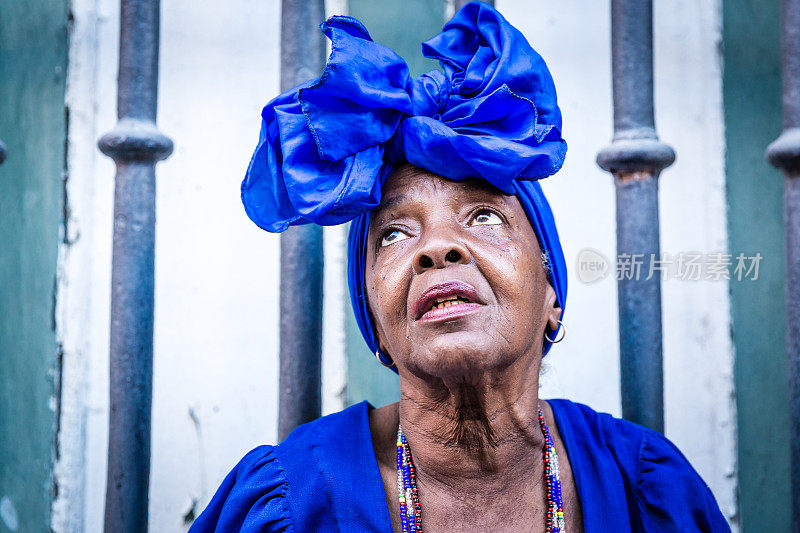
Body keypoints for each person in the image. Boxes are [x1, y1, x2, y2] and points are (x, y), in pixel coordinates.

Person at [190, 2, 730, 531]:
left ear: (551, 295)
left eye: (485, 217)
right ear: (376, 323)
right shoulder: (287, 502)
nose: (439, 248)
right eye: (396, 234)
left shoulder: (649, 492)